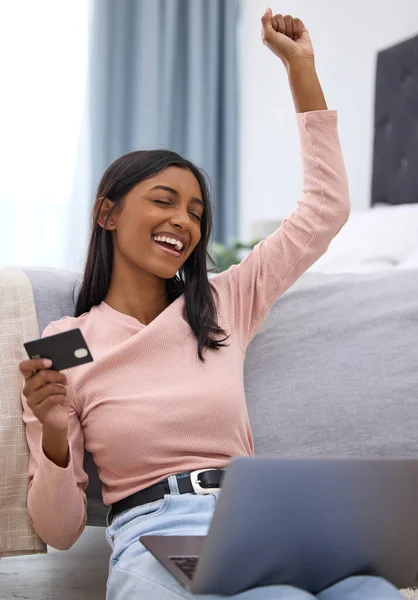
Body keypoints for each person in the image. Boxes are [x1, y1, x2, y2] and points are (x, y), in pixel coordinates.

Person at [19, 8, 404, 600]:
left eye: (196, 212)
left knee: (373, 591)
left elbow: (323, 212)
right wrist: (50, 433)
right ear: (108, 213)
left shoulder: (226, 301)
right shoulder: (67, 338)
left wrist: (301, 68)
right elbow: (60, 530)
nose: (183, 221)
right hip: (155, 533)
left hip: (259, 524)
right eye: (164, 201)